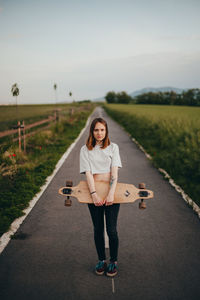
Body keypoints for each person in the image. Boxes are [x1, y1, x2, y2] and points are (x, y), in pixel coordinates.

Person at [80, 117, 122, 277]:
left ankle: (113, 262)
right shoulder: (85, 150)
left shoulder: (113, 148)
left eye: (102, 130)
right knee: (98, 229)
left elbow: (115, 173)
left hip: (112, 193)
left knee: (111, 230)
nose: (99, 133)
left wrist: (111, 193)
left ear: (106, 131)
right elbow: (88, 174)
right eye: (96, 130)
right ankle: (101, 260)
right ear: (92, 131)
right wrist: (94, 195)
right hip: (94, 193)